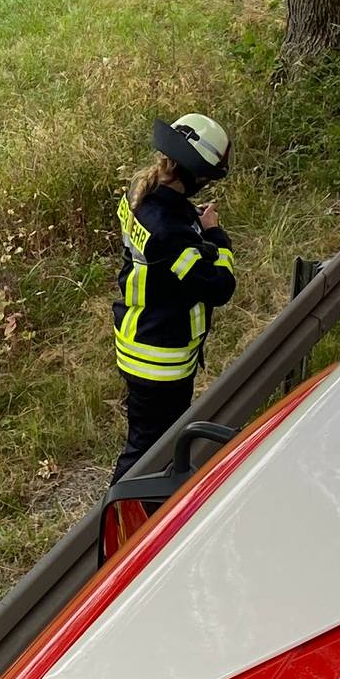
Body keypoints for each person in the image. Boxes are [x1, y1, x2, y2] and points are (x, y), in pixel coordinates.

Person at [110, 113, 237, 482]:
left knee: (150, 443)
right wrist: (216, 238)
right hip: (160, 360)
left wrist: (191, 223)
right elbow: (219, 287)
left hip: (138, 336)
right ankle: (119, 525)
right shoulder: (171, 230)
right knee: (148, 454)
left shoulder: (141, 194)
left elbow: (165, 252)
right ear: (196, 175)